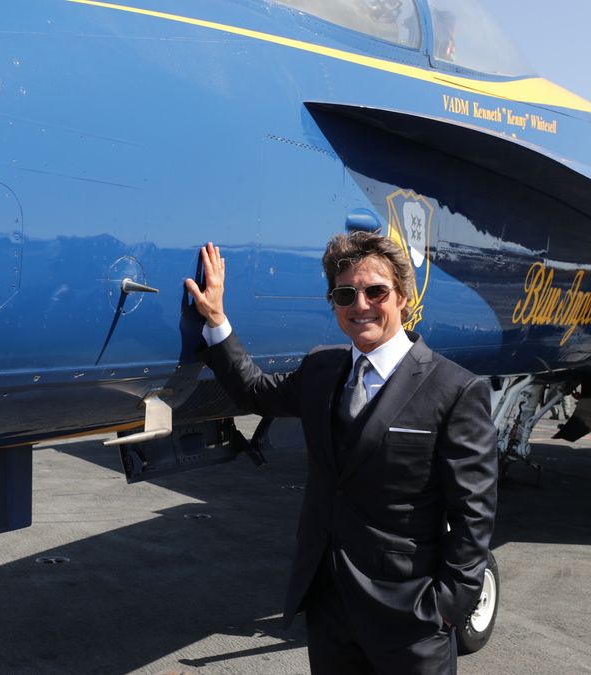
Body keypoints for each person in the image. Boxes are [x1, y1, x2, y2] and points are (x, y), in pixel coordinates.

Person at [184, 233, 498, 674]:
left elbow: (474, 515)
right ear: (334, 302)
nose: (361, 304)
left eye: (376, 291)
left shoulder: (454, 389)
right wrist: (216, 319)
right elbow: (255, 391)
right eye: (346, 294)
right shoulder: (322, 368)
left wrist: (447, 608)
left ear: (403, 298)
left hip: (411, 618)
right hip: (330, 604)